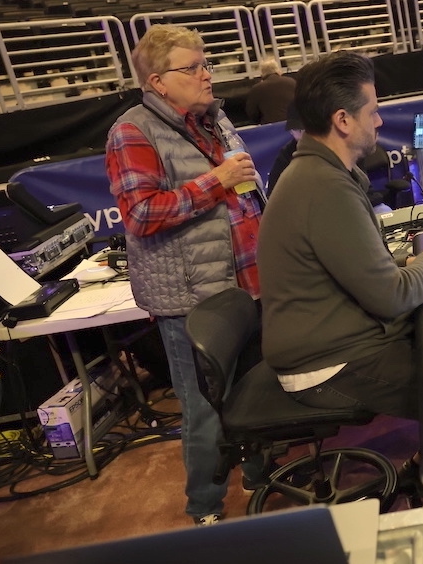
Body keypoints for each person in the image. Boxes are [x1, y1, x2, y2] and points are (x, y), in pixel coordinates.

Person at [257, 52, 423, 537]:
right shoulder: (323, 187)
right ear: (342, 120)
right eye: (372, 111)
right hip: (325, 364)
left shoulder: (322, 175)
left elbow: (367, 273)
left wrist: (422, 264)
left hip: (337, 340)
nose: (380, 120)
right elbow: (388, 297)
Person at [105, 23, 265, 527]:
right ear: (157, 82)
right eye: (191, 67)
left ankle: (262, 476)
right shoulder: (132, 131)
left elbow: (248, 193)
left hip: (244, 284)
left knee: (255, 389)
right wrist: (214, 181)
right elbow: (142, 214)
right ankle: (205, 510)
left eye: (206, 63)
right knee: (203, 410)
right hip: (192, 300)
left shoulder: (213, 120)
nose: (206, 74)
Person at [245, 57, 296, 125]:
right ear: (278, 70)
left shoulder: (257, 89)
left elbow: (252, 113)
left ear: (262, 73)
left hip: (271, 129)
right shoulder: (292, 82)